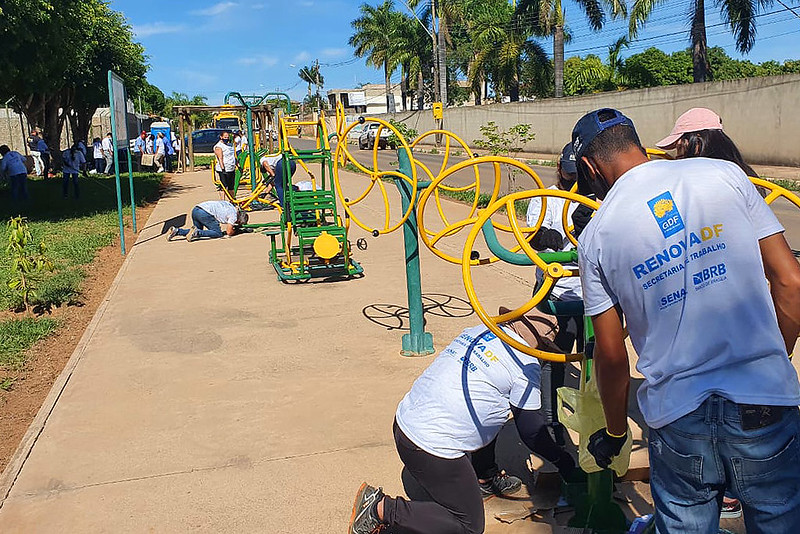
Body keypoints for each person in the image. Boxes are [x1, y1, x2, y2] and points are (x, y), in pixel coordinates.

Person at [570, 108, 800, 533]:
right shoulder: (723, 175)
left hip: (678, 417)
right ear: (637, 142)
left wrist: (617, 433)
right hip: (764, 403)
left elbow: (610, 354)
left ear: (589, 167)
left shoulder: (595, 236)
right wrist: (771, 359)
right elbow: (790, 281)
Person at [348, 312, 582, 534]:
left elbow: (488, 409)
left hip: (406, 423)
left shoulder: (481, 331)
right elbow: (531, 431)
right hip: (430, 449)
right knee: (468, 524)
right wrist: (565, 463)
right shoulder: (525, 365)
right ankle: (381, 508)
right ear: (541, 347)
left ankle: (483, 476)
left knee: (494, 406)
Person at [656, 106, 756, 519]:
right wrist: (777, 350)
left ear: (694, 142)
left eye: (678, 147)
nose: (675, 156)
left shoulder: (696, 188)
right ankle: (734, 490)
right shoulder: (744, 182)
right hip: (747, 337)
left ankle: (723, 490)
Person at [524, 142, 583, 445]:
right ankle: (551, 420)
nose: (573, 178)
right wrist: (543, 237)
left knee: (593, 358)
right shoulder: (545, 199)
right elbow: (532, 238)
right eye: (569, 172)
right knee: (553, 356)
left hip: (589, 295)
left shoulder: (593, 197)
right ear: (560, 168)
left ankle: (592, 416)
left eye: (578, 173)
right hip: (554, 292)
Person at [166, 200, 248, 242]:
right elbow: (229, 232)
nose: (235, 223)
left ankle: (176, 231)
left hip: (196, 209)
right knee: (217, 233)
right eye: (238, 223)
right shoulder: (234, 215)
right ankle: (196, 232)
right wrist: (236, 231)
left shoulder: (230, 205)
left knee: (195, 232)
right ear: (239, 219)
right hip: (205, 213)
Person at [214, 131, 236, 196]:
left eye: (228, 137)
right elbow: (220, 158)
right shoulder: (218, 146)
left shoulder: (230, 145)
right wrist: (223, 169)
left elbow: (233, 156)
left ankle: (232, 200)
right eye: (225, 137)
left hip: (231, 168)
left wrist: (237, 164)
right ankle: (222, 201)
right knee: (223, 187)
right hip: (224, 169)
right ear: (221, 137)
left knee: (231, 187)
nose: (227, 138)